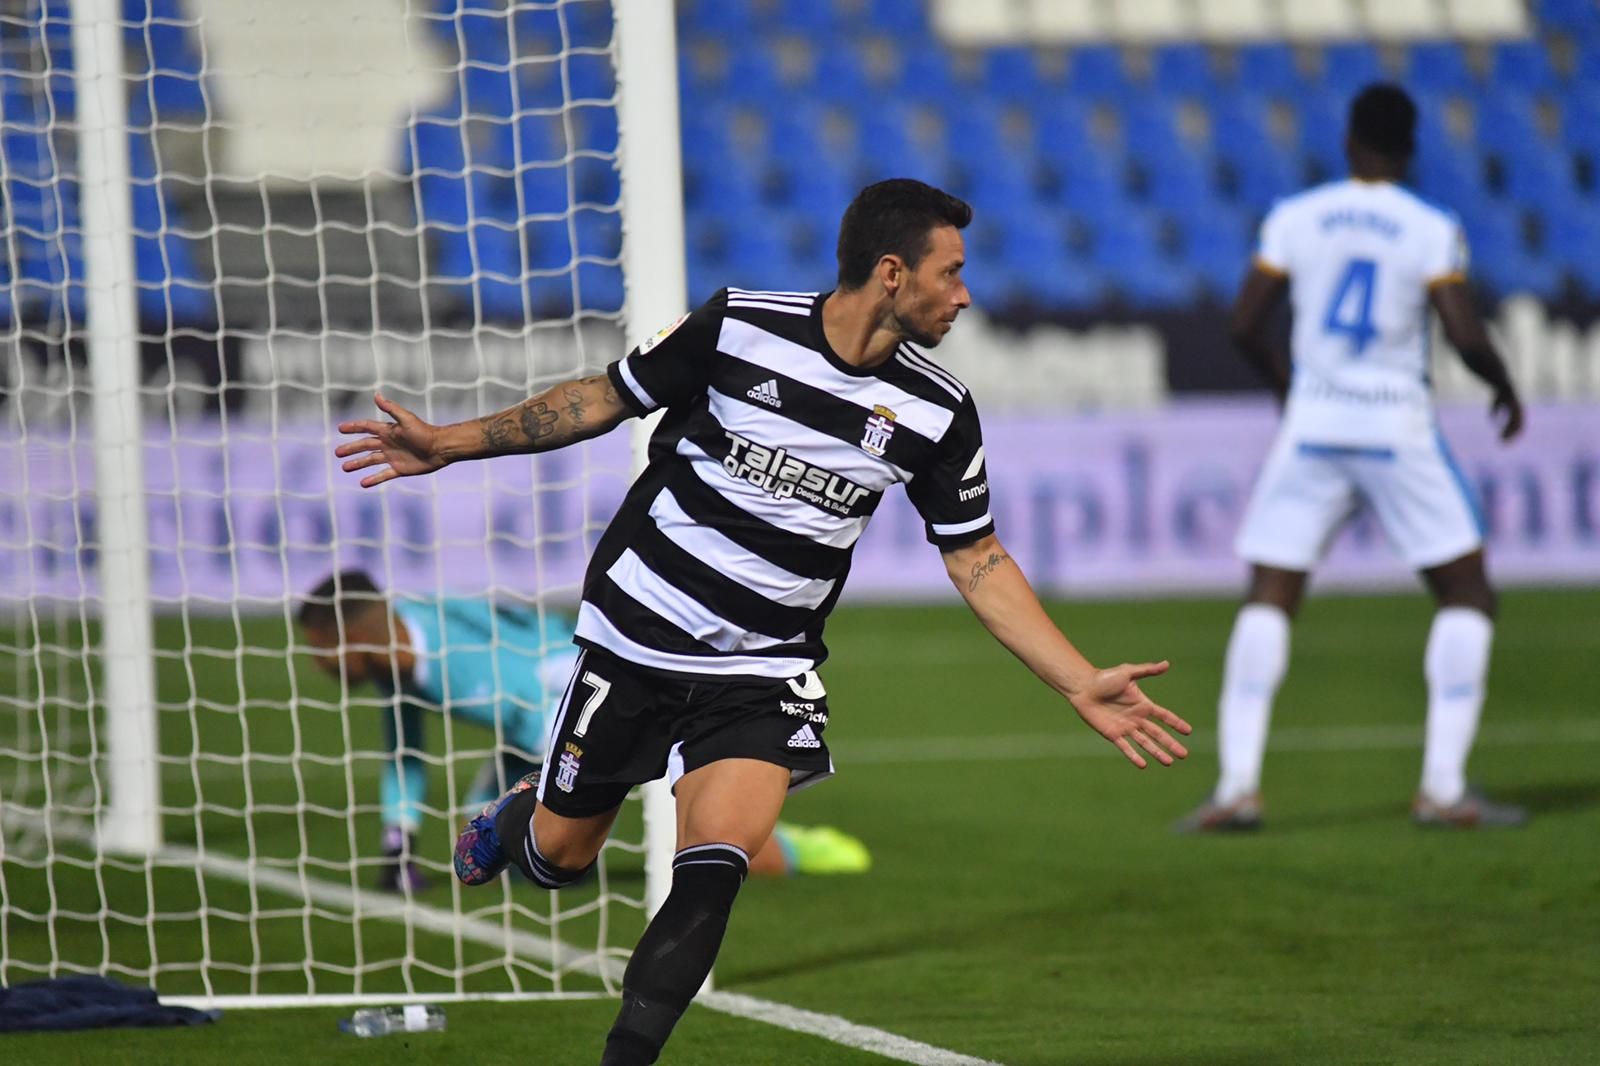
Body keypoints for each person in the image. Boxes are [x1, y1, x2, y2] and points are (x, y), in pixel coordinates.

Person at [334, 178, 1191, 1065]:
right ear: (892, 274)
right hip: (637, 635)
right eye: (952, 273)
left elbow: (977, 557)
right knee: (559, 858)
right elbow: (599, 398)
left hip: (763, 672)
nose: (965, 295)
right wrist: (449, 444)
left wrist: (1078, 679)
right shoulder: (742, 324)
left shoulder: (938, 411)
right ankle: (521, 818)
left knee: (712, 876)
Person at [1177, 84, 1527, 834]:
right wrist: (1504, 385)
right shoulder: (1431, 227)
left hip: (1313, 426)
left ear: (1349, 142)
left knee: (1271, 591)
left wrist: (1286, 385)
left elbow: (1244, 323)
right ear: (1410, 148)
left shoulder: (1297, 218)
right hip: (1396, 425)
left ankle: (1237, 788)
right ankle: (1442, 788)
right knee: (1467, 593)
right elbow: (1464, 336)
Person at [298, 570, 871, 891]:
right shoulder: (399, 666)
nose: (320, 667)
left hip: (583, 704)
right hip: (529, 737)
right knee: (490, 848)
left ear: (351, 639)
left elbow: (541, 653)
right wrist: (398, 844)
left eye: (321, 653)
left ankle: (800, 850)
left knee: (699, 836)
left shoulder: (443, 627)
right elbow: (405, 752)